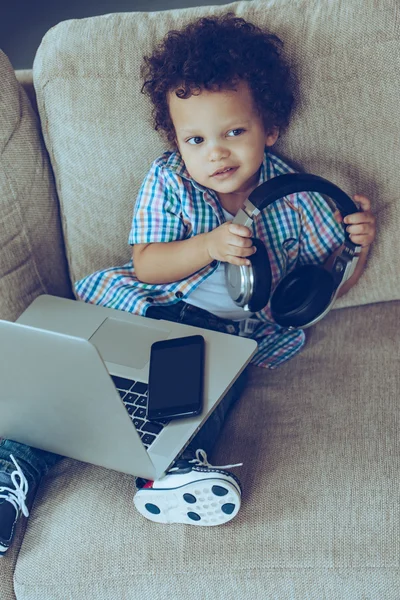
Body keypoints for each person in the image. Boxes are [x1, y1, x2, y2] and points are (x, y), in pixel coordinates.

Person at [0, 14, 376, 552]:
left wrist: (354, 245)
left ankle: (171, 474)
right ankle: (11, 477)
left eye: (234, 132)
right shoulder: (170, 180)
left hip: (228, 336)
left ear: (268, 128)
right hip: (151, 309)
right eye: (195, 138)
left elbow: (324, 286)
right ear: (177, 141)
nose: (215, 152)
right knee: (71, 392)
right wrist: (208, 245)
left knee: (204, 391)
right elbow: (148, 263)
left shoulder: (296, 194)